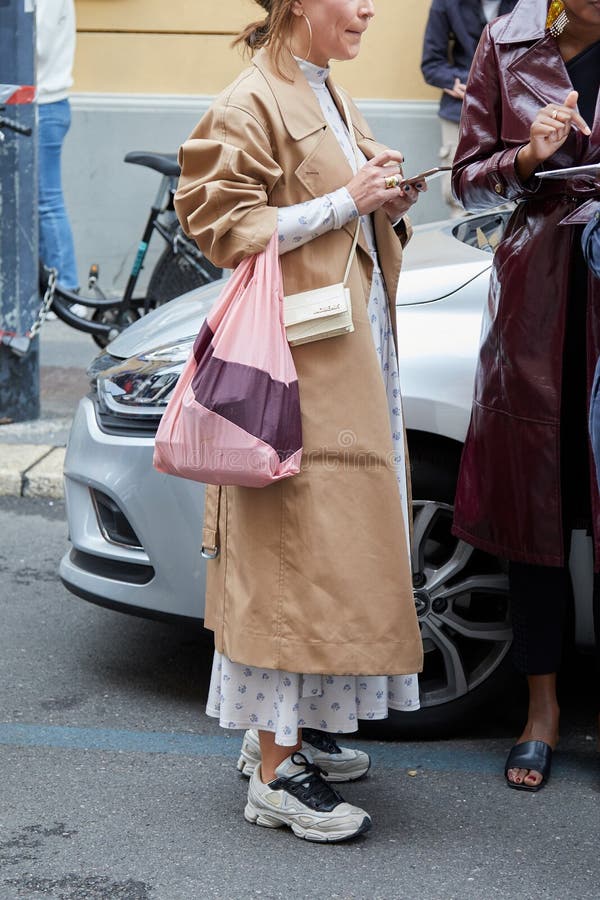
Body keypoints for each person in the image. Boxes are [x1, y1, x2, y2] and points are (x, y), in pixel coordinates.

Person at [175, 0, 425, 841]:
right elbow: (219, 222)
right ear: (295, 4)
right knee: (290, 555)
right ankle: (277, 773)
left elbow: (343, 216)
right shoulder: (254, 99)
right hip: (297, 374)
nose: (367, 9)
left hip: (339, 362)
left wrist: (383, 197)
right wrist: (347, 199)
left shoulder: (327, 91)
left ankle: (275, 740)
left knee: (320, 555)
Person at [451, 0, 600, 791]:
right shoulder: (507, 43)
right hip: (540, 304)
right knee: (535, 516)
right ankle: (540, 711)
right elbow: (466, 184)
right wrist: (527, 160)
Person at [420, 0, 517, 217]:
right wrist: (466, 82)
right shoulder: (445, 4)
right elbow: (431, 64)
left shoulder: (530, 4)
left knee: (512, 194)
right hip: (460, 114)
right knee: (460, 199)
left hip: (512, 112)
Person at [36, 0, 79, 292]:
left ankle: (65, 287)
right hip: (39, 104)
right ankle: (49, 285)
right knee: (36, 204)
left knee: (46, 202)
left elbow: (36, 45)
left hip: (44, 104)